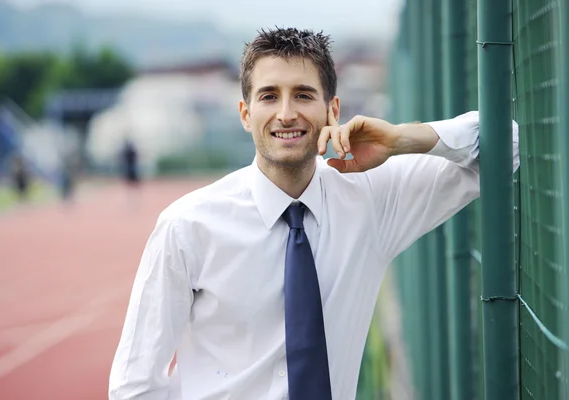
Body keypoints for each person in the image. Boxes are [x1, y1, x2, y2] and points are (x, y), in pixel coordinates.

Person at [109, 27, 520, 400]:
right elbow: (135, 385)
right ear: (245, 113)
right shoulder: (187, 226)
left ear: (332, 109)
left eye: (303, 94)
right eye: (269, 96)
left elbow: (508, 143)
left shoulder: (370, 200)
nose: (286, 113)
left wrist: (399, 139)